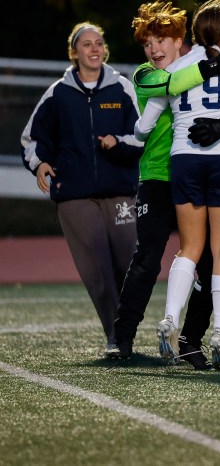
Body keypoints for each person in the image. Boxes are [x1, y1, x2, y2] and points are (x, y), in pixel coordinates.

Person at [112, 0, 220, 367]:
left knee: (192, 252)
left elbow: (143, 126)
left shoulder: (174, 72)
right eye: (148, 43)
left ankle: (177, 326)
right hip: (208, 164)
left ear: (183, 38)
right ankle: (210, 332)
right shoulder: (158, 72)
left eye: (160, 40)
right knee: (210, 254)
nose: (153, 49)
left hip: (183, 164)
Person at [21, 22, 143, 356]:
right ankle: (117, 337)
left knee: (130, 263)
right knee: (98, 268)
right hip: (74, 195)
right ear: (74, 52)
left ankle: (127, 329)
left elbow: (142, 135)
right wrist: (40, 163)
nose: (94, 49)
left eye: (99, 43)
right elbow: (32, 138)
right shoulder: (58, 93)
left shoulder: (121, 88)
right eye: (86, 44)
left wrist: (117, 143)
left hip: (119, 191)